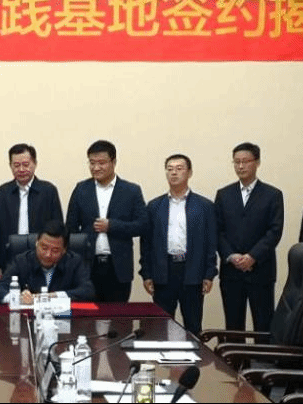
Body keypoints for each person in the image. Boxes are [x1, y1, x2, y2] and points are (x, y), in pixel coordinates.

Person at [139, 154, 217, 335]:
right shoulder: (154, 206)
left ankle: (193, 354)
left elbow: (211, 242)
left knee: (193, 325)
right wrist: (146, 273)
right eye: (170, 169)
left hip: (192, 271)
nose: (174, 173)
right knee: (161, 327)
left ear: (189, 173)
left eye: (179, 169)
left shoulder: (204, 206)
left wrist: (209, 273)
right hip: (163, 271)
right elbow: (146, 243)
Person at [214, 142, 284, 333]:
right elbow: (218, 231)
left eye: (245, 161)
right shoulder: (224, 194)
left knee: (263, 325)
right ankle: (235, 355)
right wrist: (231, 256)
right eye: (236, 162)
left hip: (261, 271)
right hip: (231, 272)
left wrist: (253, 256)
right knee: (233, 326)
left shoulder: (273, 195)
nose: (241, 166)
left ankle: (263, 355)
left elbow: (274, 231)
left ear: (257, 162)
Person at [65, 140, 147, 302]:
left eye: (101, 163)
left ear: (114, 162)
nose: (96, 168)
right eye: (92, 163)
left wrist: (112, 226)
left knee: (117, 315)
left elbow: (142, 225)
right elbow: (70, 228)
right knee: (87, 315)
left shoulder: (131, 191)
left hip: (118, 268)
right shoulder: (81, 189)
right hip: (87, 266)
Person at [0, 143, 63, 281]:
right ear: (10, 166)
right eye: (16, 165)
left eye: (26, 164)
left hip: (43, 258)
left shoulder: (48, 191)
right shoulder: (1, 193)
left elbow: (58, 227)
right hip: (10, 258)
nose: (21, 169)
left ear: (35, 164)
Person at [0, 219, 94, 304]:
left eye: (55, 250)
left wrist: (53, 296)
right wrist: (18, 298)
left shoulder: (74, 262)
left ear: (64, 250)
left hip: (65, 320)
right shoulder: (21, 261)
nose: (48, 254)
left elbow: (88, 291)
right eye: (44, 248)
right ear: (36, 243)